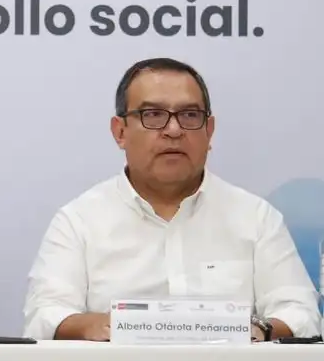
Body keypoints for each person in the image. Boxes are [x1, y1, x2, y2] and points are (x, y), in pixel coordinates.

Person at [23, 57, 321, 342]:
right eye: (153, 115)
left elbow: (302, 314)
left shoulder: (256, 217)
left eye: (190, 115)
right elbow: (45, 316)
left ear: (209, 130)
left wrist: (257, 329)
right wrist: (106, 327)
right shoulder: (79, 221)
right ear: (120, 131)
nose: (174, 130)